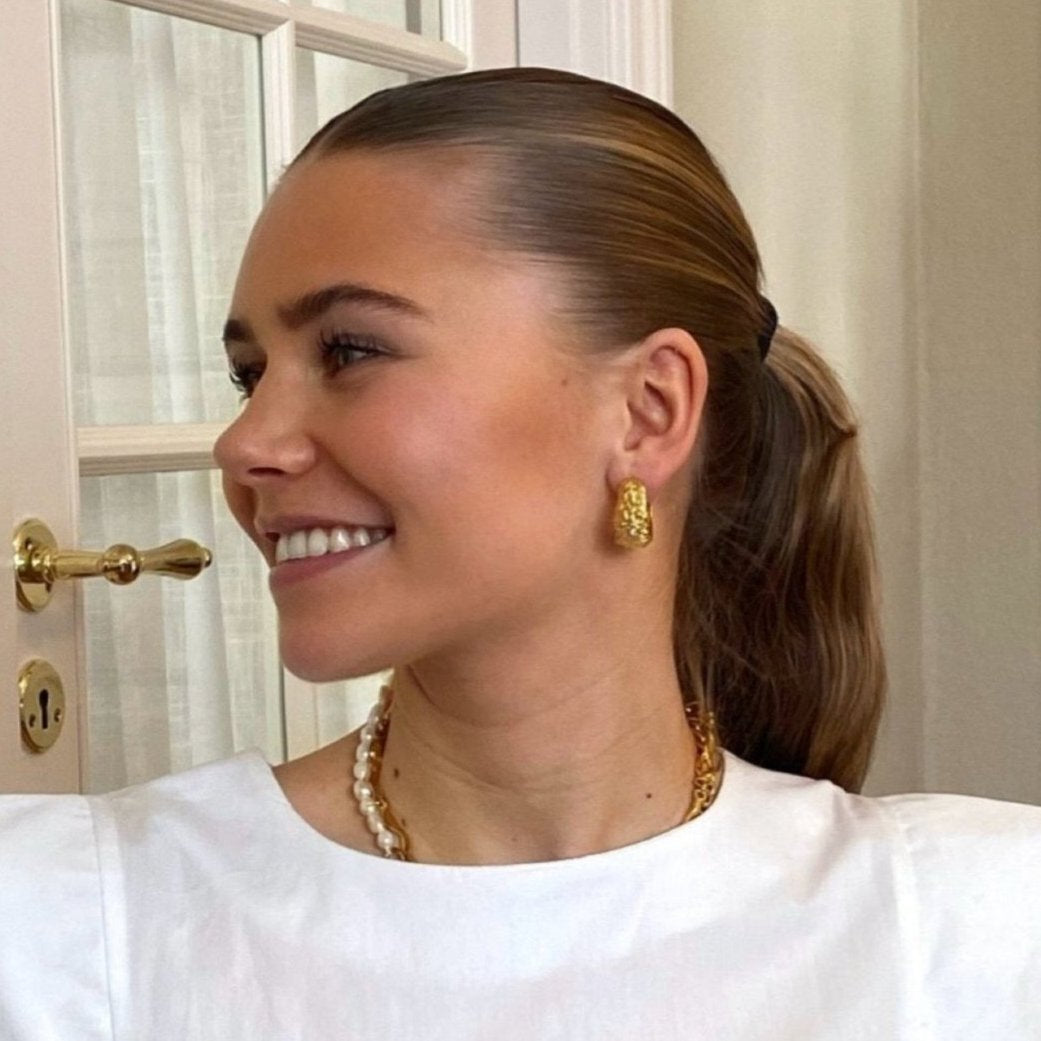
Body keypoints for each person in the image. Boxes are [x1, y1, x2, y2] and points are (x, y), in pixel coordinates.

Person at [1, 67, 1039, 1039]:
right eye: (249, 373)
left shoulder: (971, 932)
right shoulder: (68, 929)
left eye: (349, 350)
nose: (245, 444)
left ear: (647, 410)